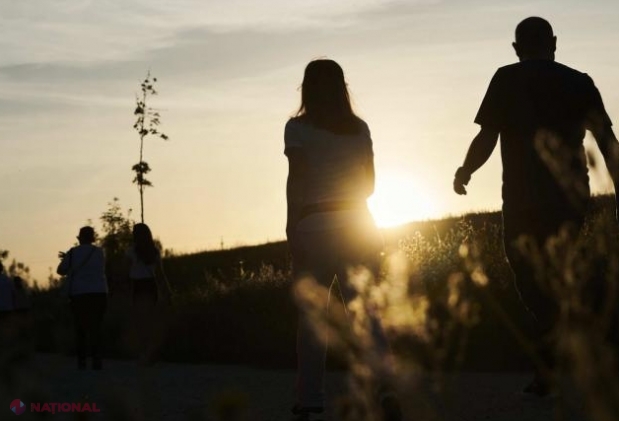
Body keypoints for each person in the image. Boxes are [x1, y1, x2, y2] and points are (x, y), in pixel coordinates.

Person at [453, 17, 619, 396]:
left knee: (528, 276)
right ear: (554, 42)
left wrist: (466, 170)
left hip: (521, 197)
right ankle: (571, 346)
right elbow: (607, 141)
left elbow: (487, 136)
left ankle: (555, 354)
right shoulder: (580, 82)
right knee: (560, 273)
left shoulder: (505, 78)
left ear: (516, 48)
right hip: (570, 198)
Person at [285, 59, 401, 421]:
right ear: (342, 88)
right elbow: (370, 186)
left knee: (313, 317)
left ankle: (310, 398)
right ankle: (384, 389)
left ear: (306, 89)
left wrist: (291, 227)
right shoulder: (359, 128)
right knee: (366, 314)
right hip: (358, 224)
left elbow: (296, 180)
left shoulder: (297, 128)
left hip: (314, 225)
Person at [57, 226, 108, 370]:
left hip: (79, 294)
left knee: (80, 328)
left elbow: (60, 270)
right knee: (96, 327)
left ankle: (82, 361)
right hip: (99, 293)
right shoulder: (100, 252)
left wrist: (69, 263)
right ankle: (97, 360)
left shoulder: (73, 253)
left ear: (80, 238)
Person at [124, 223, 171, 365]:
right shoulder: (154, 252)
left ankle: (144, 353)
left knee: (140, 322)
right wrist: (167, 290)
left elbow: (125, 272)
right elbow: (160, 273)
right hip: (151, 286)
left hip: (138, 286)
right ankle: (151, 352)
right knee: (150, 320)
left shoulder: (131, 252)